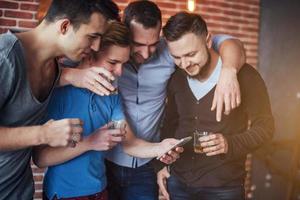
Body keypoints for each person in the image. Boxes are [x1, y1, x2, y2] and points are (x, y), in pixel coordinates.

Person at [61, 1, 246, 200]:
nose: (146, 53)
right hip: (105, 162)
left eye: (153, 44)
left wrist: (229, 71)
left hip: (146, 164)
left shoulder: (172, 52)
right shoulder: (107, 53)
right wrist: (71, 75)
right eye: (138, 44)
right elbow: (55, 69)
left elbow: (229, 43)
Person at [33, 21, 182, 200]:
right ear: (89, 54)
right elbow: (41, 158)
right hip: (65, 194)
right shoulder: (59, 93)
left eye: (123, 64)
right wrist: (89, 142)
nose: (119, 72)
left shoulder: (111, 96)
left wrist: (161, 147)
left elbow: (130, 143)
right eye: (113, 62)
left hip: (101, 191)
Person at [0, 0, 119, 199]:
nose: (96, 46)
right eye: (92, 37)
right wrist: (43, 134)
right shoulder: (5, 57)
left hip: (19, 190)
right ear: (64, 26)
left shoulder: (54, 65)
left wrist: (74, 75)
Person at [156, 12, 275, 200]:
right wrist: (163, 165)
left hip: (224, 188)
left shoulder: (245, 77)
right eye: (177, 57)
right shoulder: (176, 78)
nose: (185, 64)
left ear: (209, 41)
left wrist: (229, 143)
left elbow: (266, 128)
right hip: (178, 183)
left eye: (191, 54)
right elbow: (170, 124)